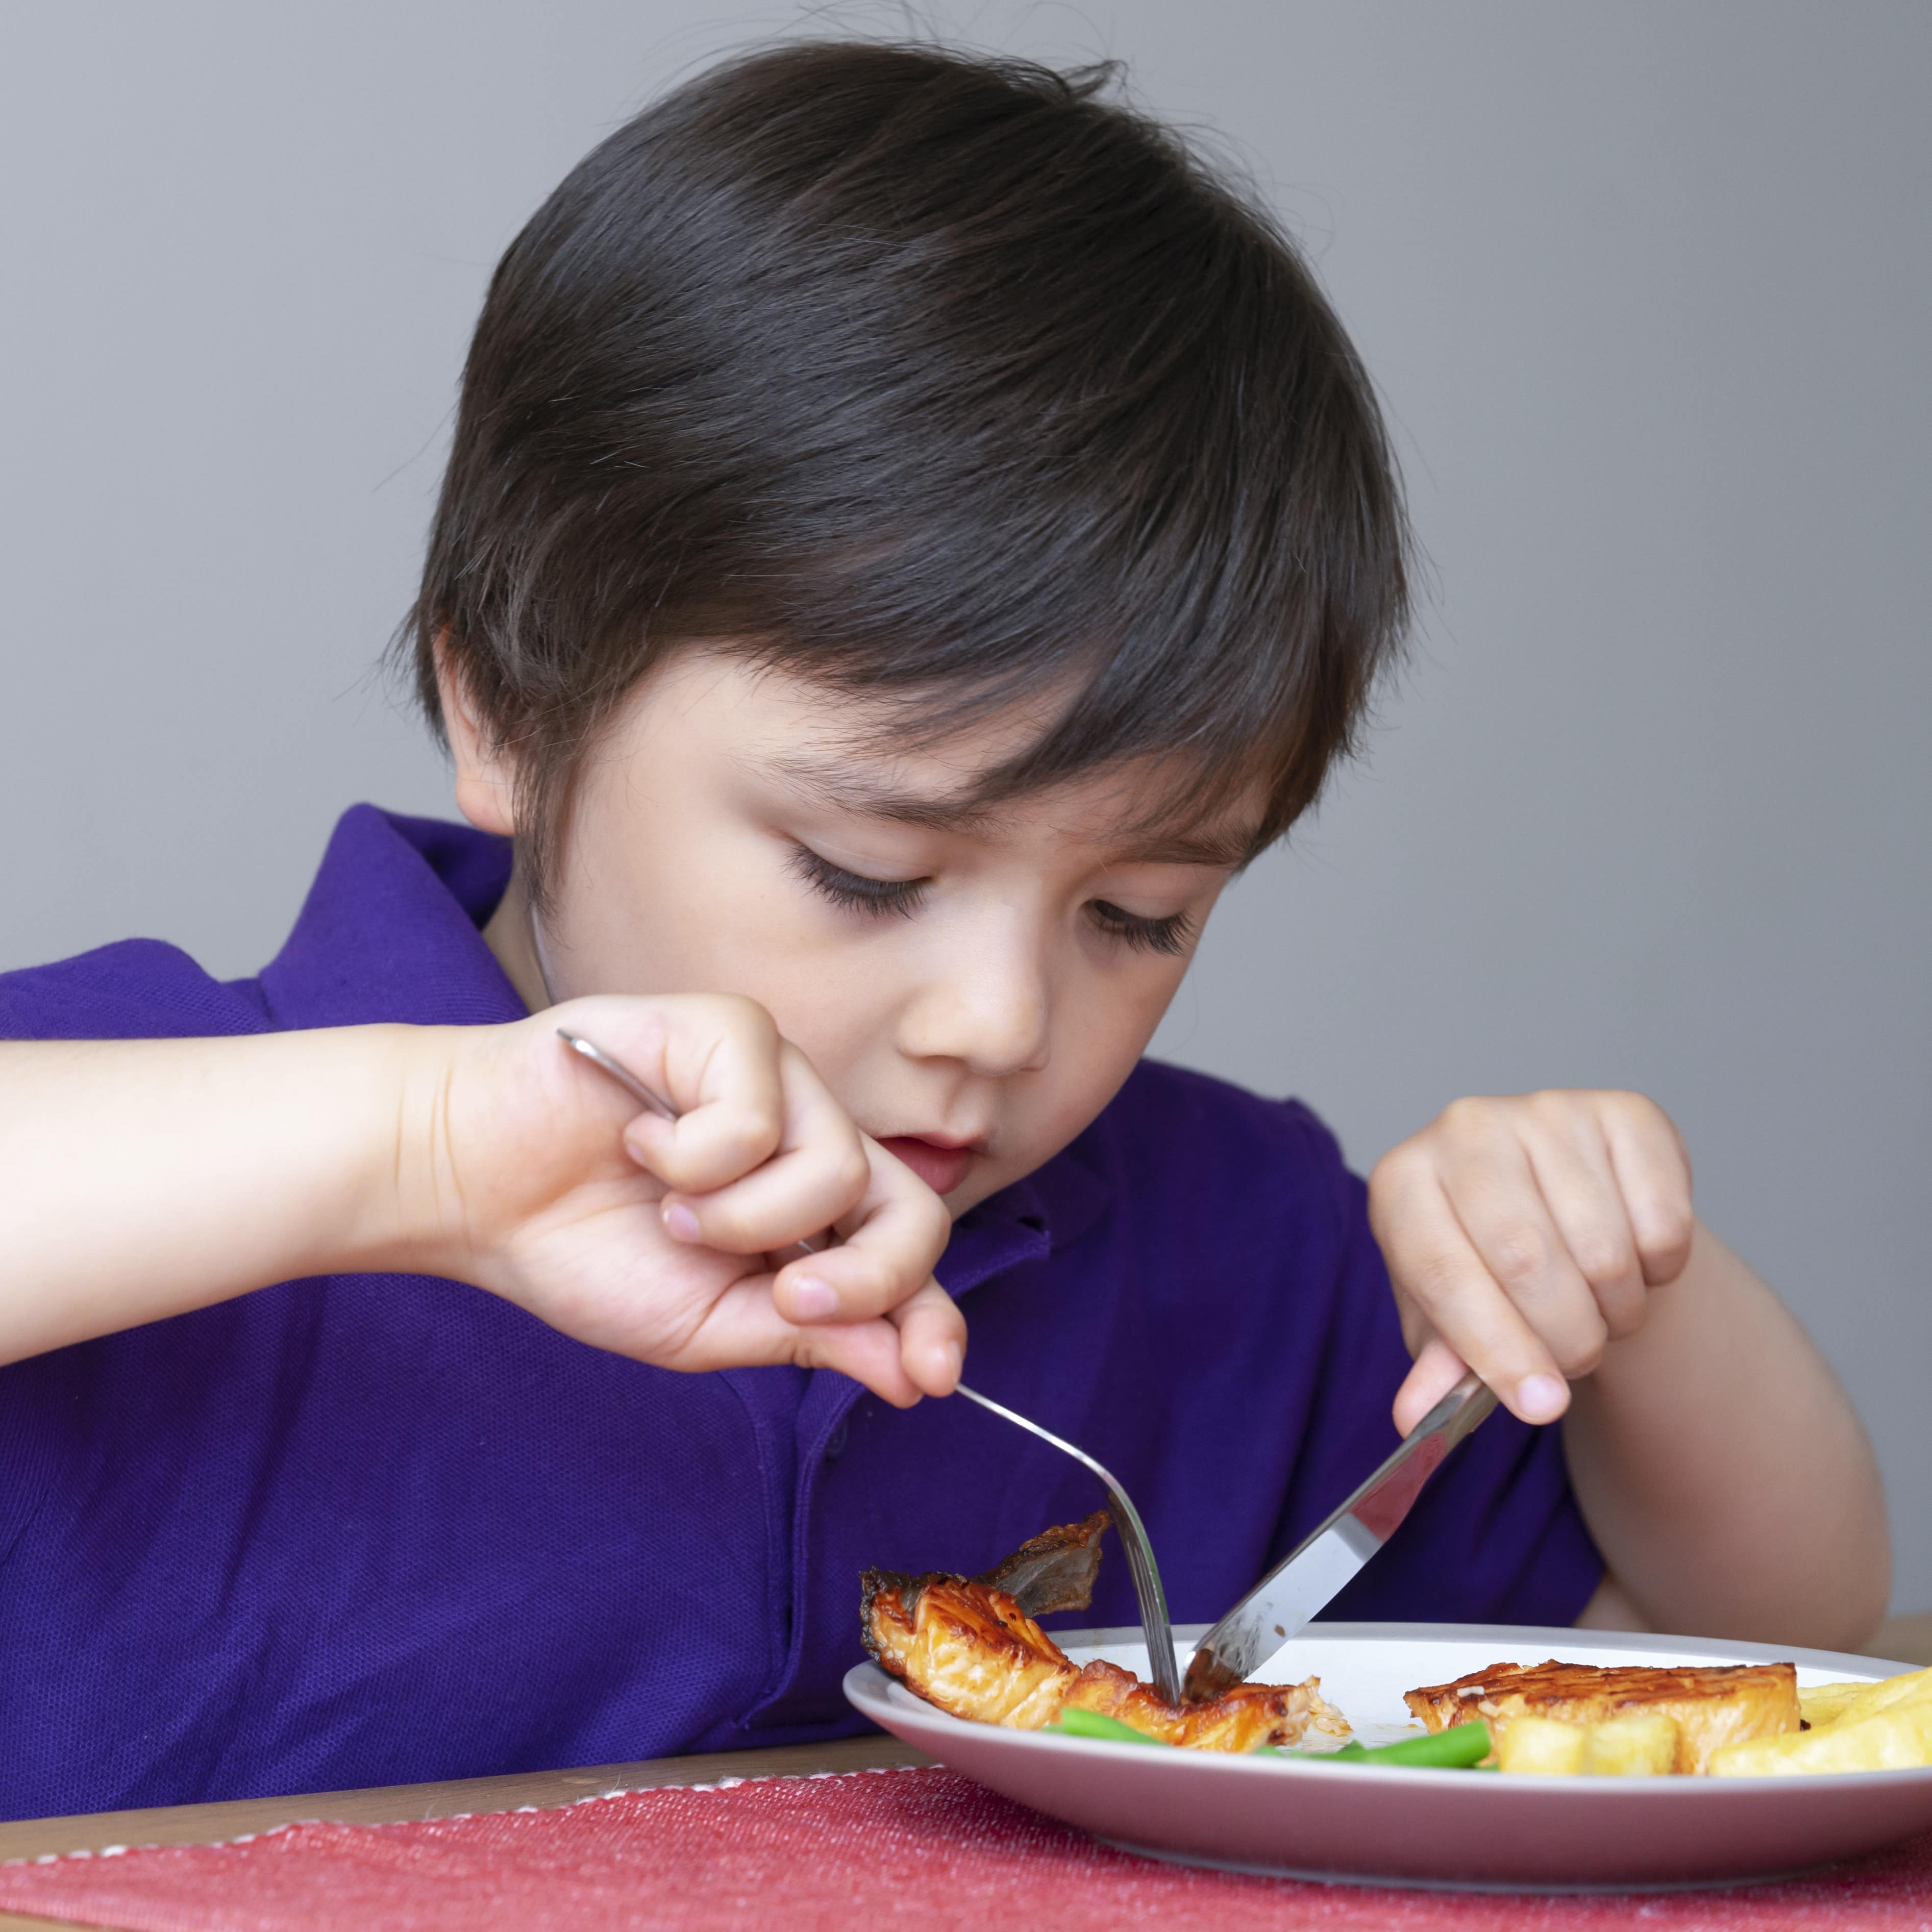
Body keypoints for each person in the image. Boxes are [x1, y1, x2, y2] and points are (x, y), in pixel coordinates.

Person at [0, 40, 1887, 1820]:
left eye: (1138, 913)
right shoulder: (144, 1147)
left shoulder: (1242, 1258)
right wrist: (414, 1152)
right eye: (865, 868)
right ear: (505, 701)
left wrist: (1623, 1286)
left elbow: (1759, 1654)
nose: (998, 1018)